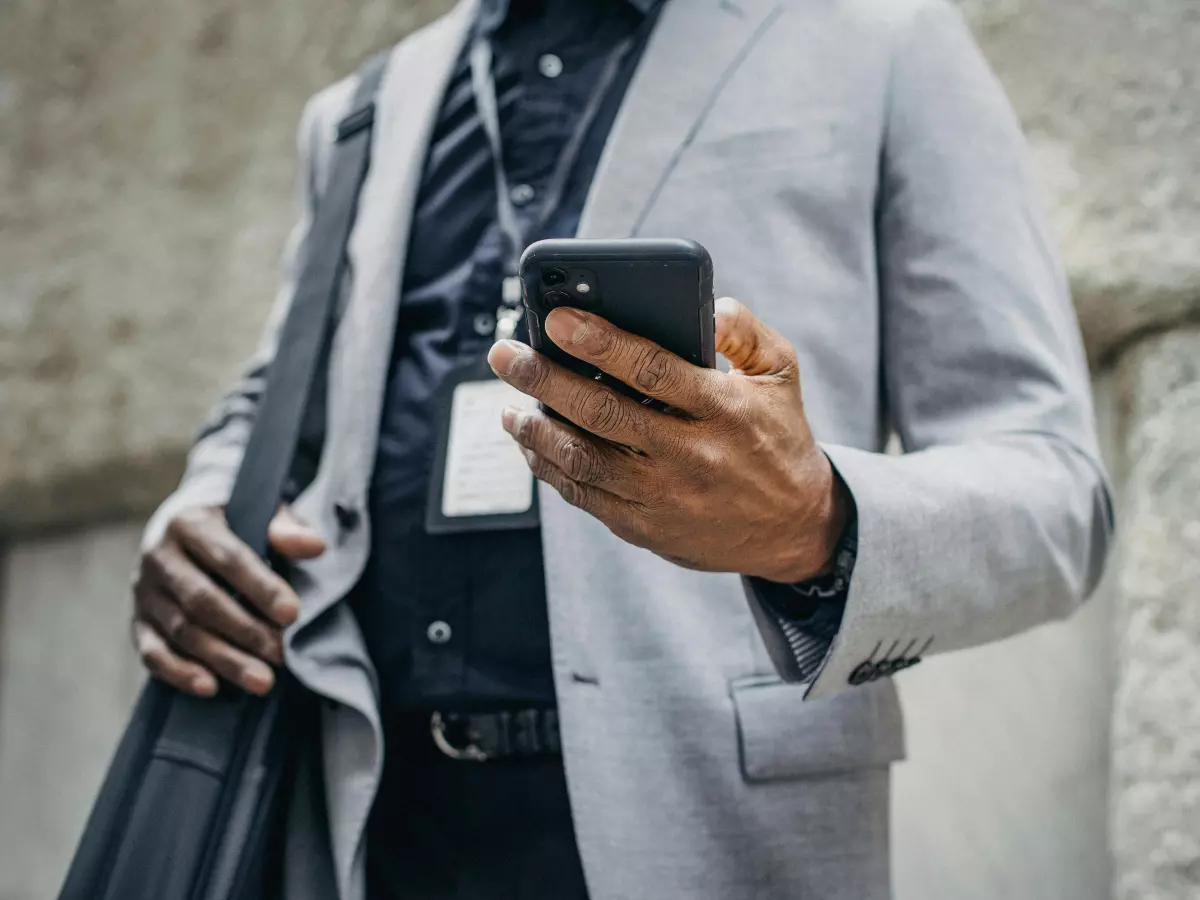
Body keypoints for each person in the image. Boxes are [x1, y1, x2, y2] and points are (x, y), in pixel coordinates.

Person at [129, 0, 1114, 897]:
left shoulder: (885, 43)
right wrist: (200, 508)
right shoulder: (362, 108)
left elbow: (1057, 494)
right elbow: (274, 396)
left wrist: (811, 520)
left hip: (701, 829)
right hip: (362, 821)